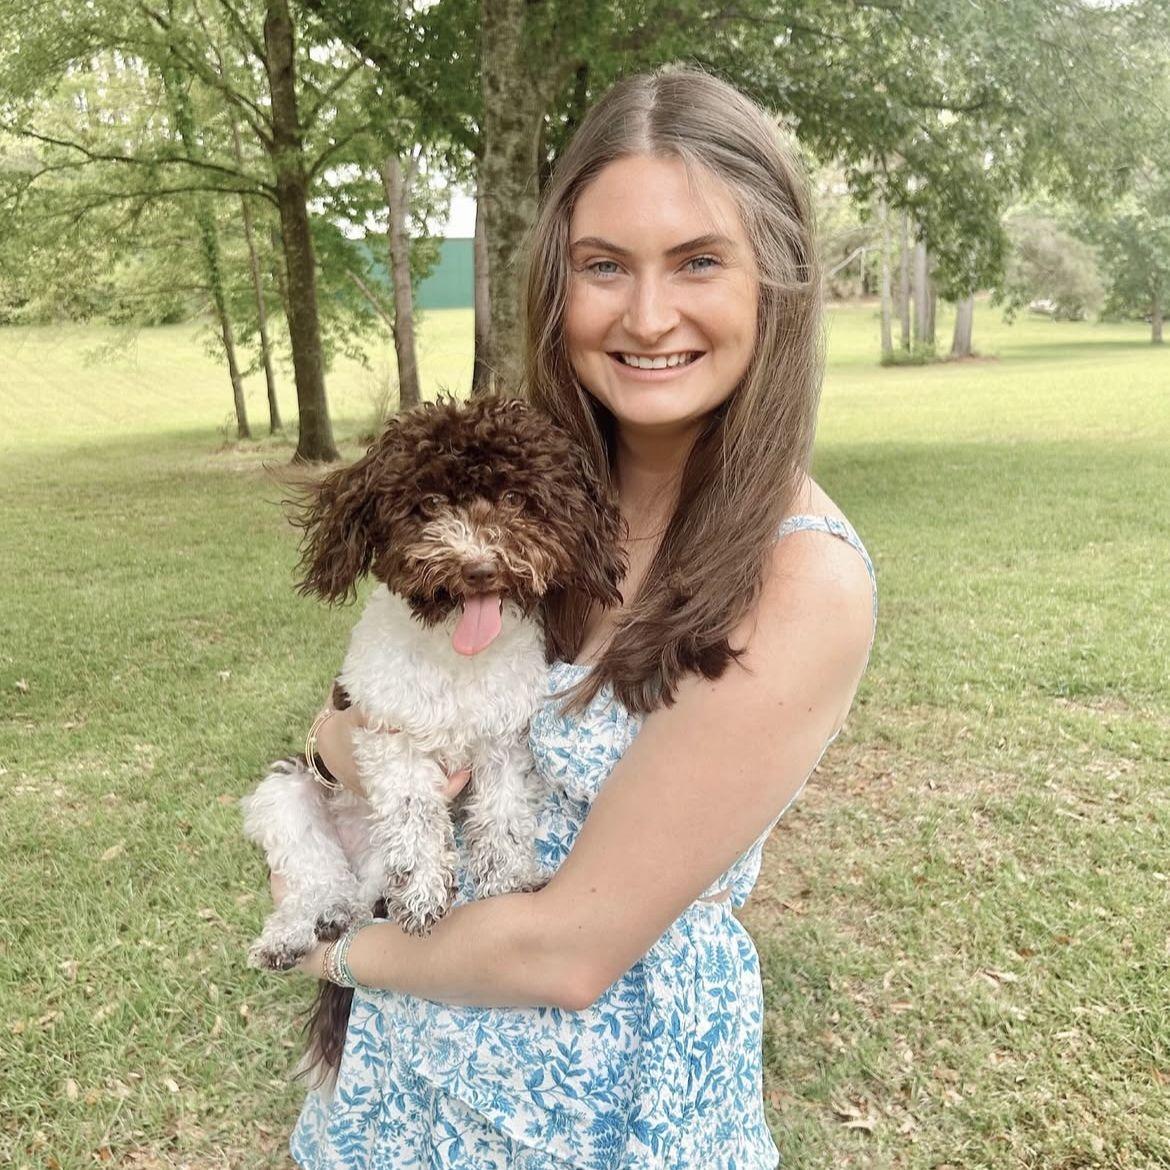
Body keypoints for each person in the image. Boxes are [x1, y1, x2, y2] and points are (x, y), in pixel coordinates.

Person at [272, 66, 877, 1170]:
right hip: (397, 1095)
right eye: (605, 266)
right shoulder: (526, 493)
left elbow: (567, 953)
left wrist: (333, 956)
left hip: (598, 1115)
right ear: (558, 285)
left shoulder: (801, 580)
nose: (647, 317)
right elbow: (358, 718)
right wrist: (344, 756)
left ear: (777, 278)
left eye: (699, 261)